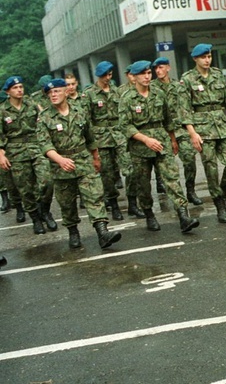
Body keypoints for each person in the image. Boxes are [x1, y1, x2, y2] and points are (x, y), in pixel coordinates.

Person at [36, 79, 122, 250]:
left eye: (57, 91)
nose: (53, 95)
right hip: (61, 166)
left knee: (94, 196)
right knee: (67, 203)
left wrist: (96, 157)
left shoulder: (80, 111)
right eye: (50, 93)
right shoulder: (44, 118)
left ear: (66, 92)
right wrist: (60, 160)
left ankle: (102, 232)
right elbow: (45, 146)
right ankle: (73, 232)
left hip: (84, 160)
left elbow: (90, 137)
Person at [118, 60, 200, 234]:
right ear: (134, 76)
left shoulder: (158, 93)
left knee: (172, 178)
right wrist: (145, 139)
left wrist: (172, 140)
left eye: (149, 73)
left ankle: (183, 216)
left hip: (162, 141)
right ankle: (149, 214)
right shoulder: (127, 98)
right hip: (140, 146)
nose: (148, 77)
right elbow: (125, 126)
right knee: (144, 184)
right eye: (143, 74)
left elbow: (168, 119)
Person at [179, 43, 226, 223]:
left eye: (209, 56)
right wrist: (192, 133)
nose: (207, 60)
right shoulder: (188, 79)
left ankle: (222, 193)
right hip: (202, 129)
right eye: (203, 57)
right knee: (211, 169)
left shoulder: (217, 74)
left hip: (221, 126)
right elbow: (183, 109)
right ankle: (219, 205)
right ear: (195, 59)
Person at [79, 61, 139, 221]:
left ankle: (133, 203)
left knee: (131, 169)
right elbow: (86, 120)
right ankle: (114, 205)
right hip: (101, 138)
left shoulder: (117, 91)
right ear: (98, 76)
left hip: (119, 135)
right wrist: (90, 144)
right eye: (104, 75)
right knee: (107, 174)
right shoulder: (89, 94)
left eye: (110, 74)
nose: (107, 78)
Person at [0, 76, 57, 234]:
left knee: (47, 181)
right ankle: (35, 219)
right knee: (25, 190)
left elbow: (43, 123)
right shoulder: (2, 110)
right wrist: (1, 154)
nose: (19, 90)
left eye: (21, 87)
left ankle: (45, 211)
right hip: (15, 152)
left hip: (36, 146)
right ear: (8, 92)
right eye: (15, 88)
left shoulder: (31, 104)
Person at [151, 57, 203, 206]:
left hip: (180, 129)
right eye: (156, 68)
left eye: (161, 67)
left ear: (168, 68)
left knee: (189, 159)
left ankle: (190, 191)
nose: (158, 71)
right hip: (163, 132)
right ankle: (176, 196)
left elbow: (185, 106)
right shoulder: (152, 88)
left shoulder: (177, 86)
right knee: (168, 167)